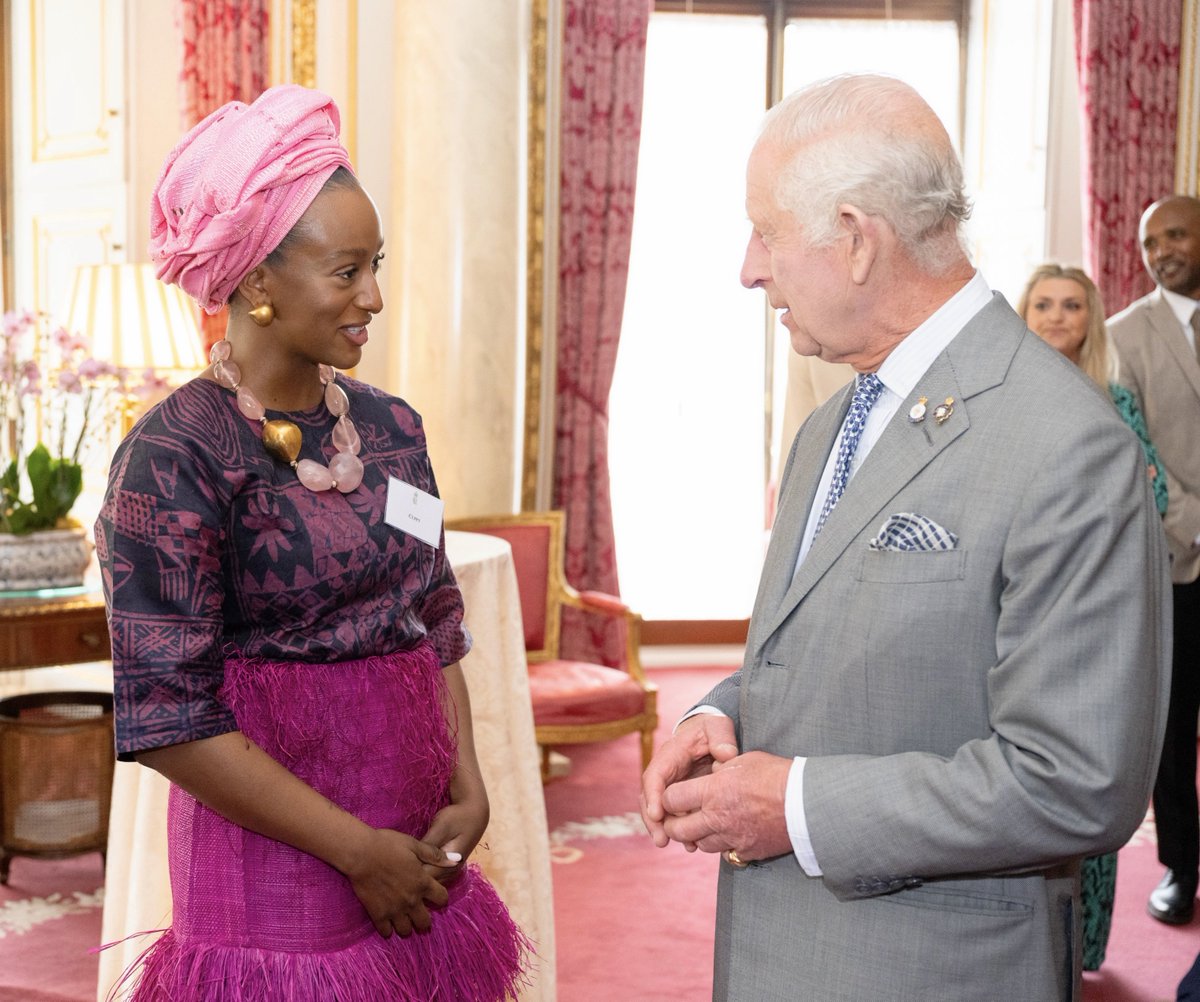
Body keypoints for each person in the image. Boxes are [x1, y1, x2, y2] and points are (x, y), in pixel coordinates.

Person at [640, 74, 1170, 1002]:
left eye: (764, 231)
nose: (747, 267)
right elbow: (829, 639)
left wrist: (793, 806)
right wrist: (721, 710)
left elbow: (1076, 780)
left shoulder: (1068, 448)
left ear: (854, 240)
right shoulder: (830, 424)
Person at [94, 85, 529, 1000]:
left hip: (414, 847)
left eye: (378, 265)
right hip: (275, 871)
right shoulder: (173, 456)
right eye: (346, 272)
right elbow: (168, 718)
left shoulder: (393, 427)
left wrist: (470, 783)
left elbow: (434, 614)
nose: (374, 296)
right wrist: (355, 851)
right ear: (257, 283)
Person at [1017, 263, 1168, 970]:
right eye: (1042, 304)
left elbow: (1155, 489)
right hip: (1016, 609)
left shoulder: (1112, 395)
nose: (1055, 317)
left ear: (1091, 315)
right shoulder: (1001, 397)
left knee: (1089, 769)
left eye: (1071, 304)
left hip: (1102, 609)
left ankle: (1081, 945)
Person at [1108, 194, 1200, 927]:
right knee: (1173, 728)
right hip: (1177, 560)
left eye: (1175, 233)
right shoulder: (1121, 337)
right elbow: (1134, 452)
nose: (1162, 248)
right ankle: (1181, 867)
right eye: (1149, 242)